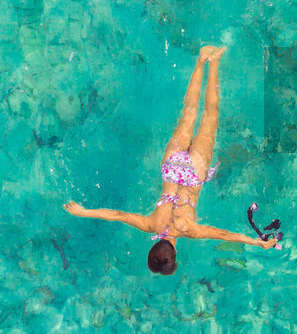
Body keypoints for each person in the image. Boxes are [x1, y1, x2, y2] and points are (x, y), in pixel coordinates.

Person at [64, 45, 278, 275]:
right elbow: (117, 215)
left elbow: (225, 235)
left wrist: (257, 242)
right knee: (189, 111)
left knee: (210, 115)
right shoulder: (151, 225)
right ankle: (201, 60)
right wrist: (83, 212)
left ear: (174, 254)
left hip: (194, 171)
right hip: (172, 167)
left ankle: (214, 62)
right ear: (154, 245)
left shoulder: (188, 230)